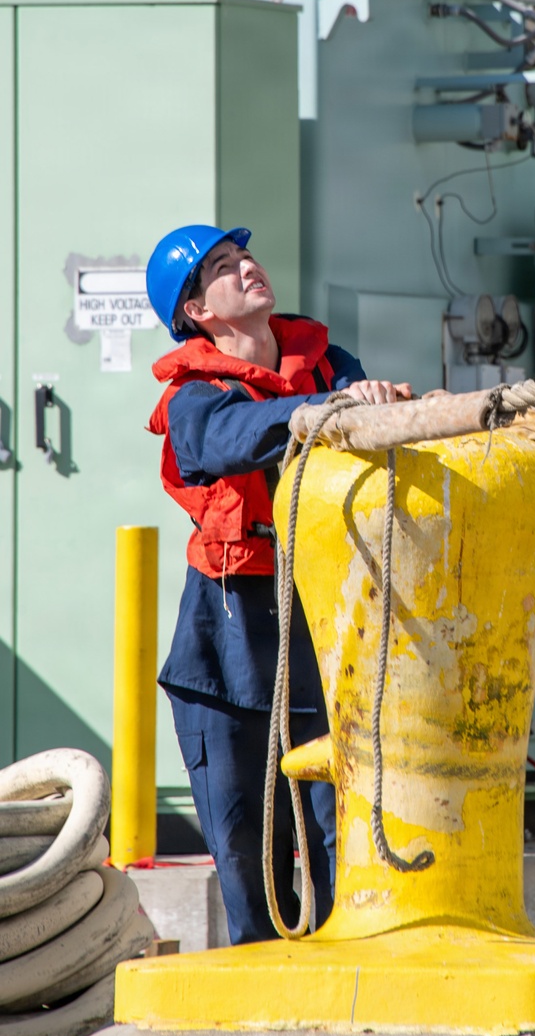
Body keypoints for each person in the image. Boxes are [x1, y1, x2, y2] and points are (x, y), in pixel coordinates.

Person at [145, 224, 411, 944]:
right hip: (226, 643)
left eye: (246, 257)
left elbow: (366, 418)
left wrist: (376, 400)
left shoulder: (330, 368)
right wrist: (310, 415)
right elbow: (219, 443)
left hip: (323, 634)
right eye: (225, 268)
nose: (249, 269)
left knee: (337, 841)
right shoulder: (194, 396)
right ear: (198, 311)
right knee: (248, 854)